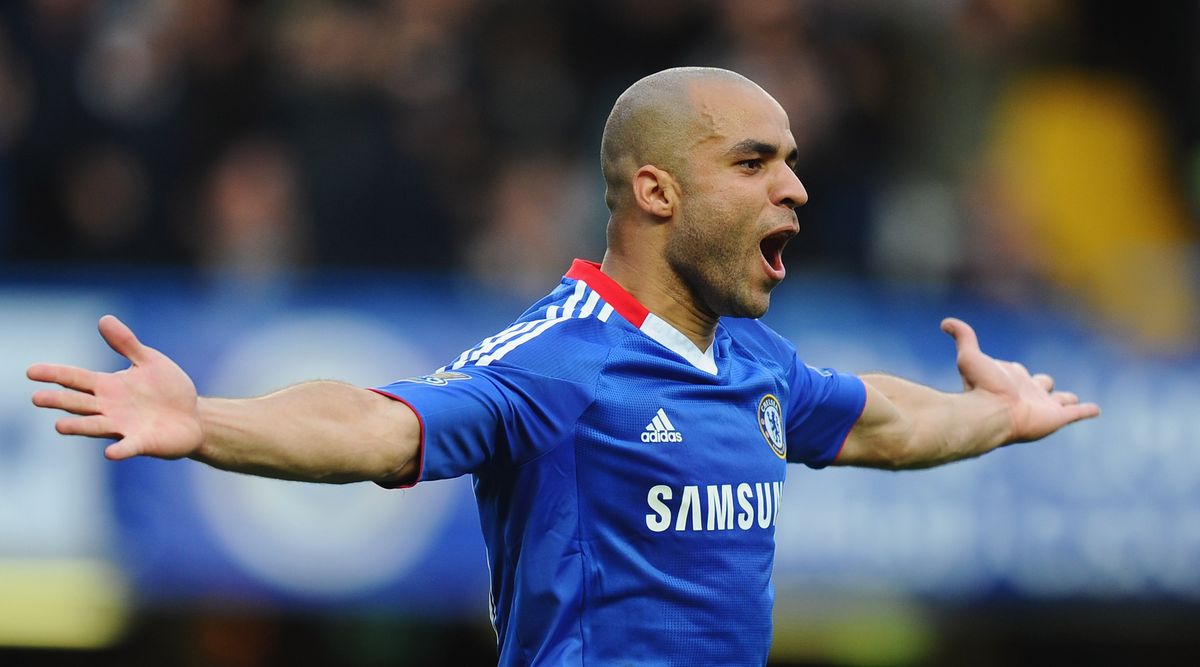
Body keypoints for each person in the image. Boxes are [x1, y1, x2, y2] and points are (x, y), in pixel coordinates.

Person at [27, 67, 1100, 666]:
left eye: (794, 161)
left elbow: (882, 423)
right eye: (755, 161)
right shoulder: (560, 357)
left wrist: (997, 415)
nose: (795, 188)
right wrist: (206, 419)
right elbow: (379, 426)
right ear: (657, 192)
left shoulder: (750, 359)